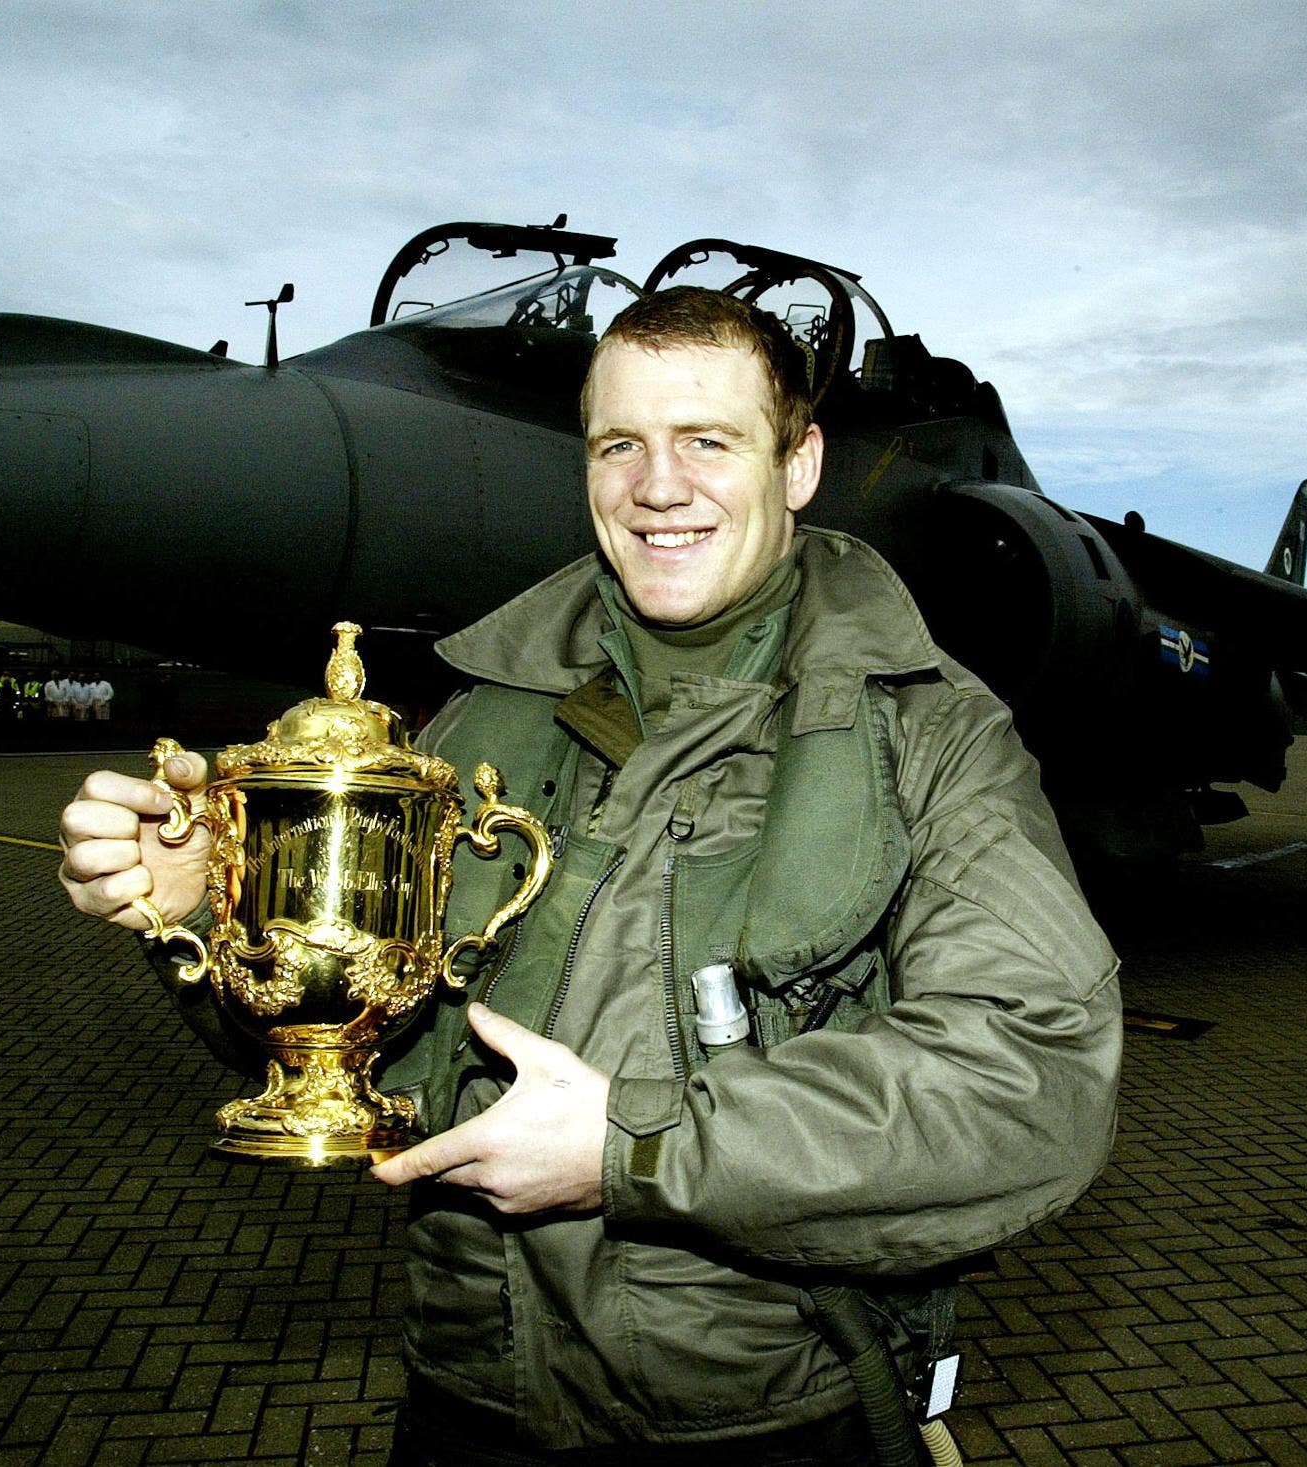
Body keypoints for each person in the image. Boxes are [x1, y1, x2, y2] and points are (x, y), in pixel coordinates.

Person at [59, 288, 1123, 1464]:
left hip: (766, 1420)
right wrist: (213, 929)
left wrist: (631, 1147)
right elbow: (387, 1051)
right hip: (467, 1403)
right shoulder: (483, 717)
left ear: (800, 460)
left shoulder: (929, 736)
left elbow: (1029, 1082)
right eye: (621, 445)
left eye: (708, 442)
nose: (657, 487)